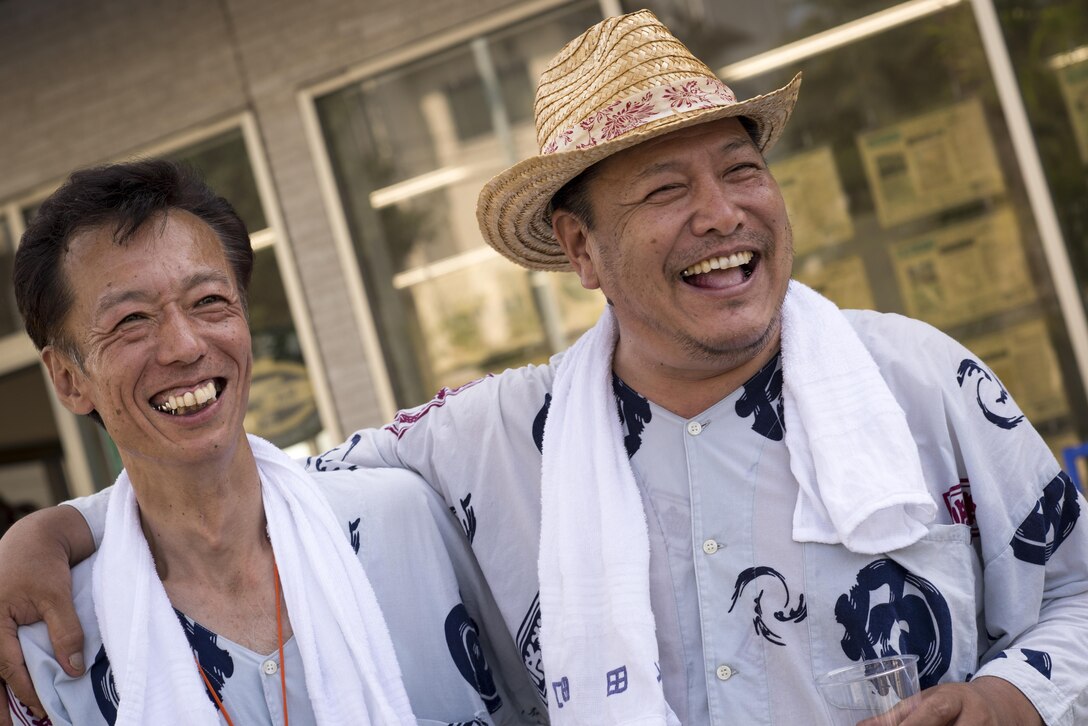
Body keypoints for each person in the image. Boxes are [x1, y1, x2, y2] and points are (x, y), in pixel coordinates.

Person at [3, 10, 1087, 725]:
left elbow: (1077, 589)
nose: (721, 213)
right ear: (579, 251)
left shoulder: (916, 382)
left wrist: (1018, 694)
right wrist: (59, 528)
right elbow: (242, 476)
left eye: (740, 169)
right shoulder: (489, 442)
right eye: (664, 191)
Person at [1, 159, 534, 725]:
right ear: (68, 378)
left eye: (209, 301)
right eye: (132, 319)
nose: (184, 346)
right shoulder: (54, 643)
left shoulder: (407, 521)